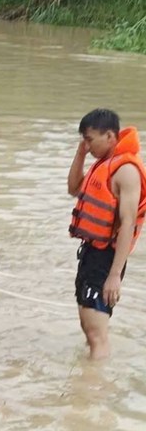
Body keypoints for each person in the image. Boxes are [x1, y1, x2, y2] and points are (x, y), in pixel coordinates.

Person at [67, 109, 146, 360]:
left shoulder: (126, 171)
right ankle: (90, 378)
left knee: (96, 334)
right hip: (92, 254)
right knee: (88, 326)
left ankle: (93, 389)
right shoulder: (102, 163)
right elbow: (72, 188)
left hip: (106, 259)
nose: (86, 145)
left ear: (110, 136)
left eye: (90, 140)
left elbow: (128, 222)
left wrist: (114, 275)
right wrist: (80, 155)